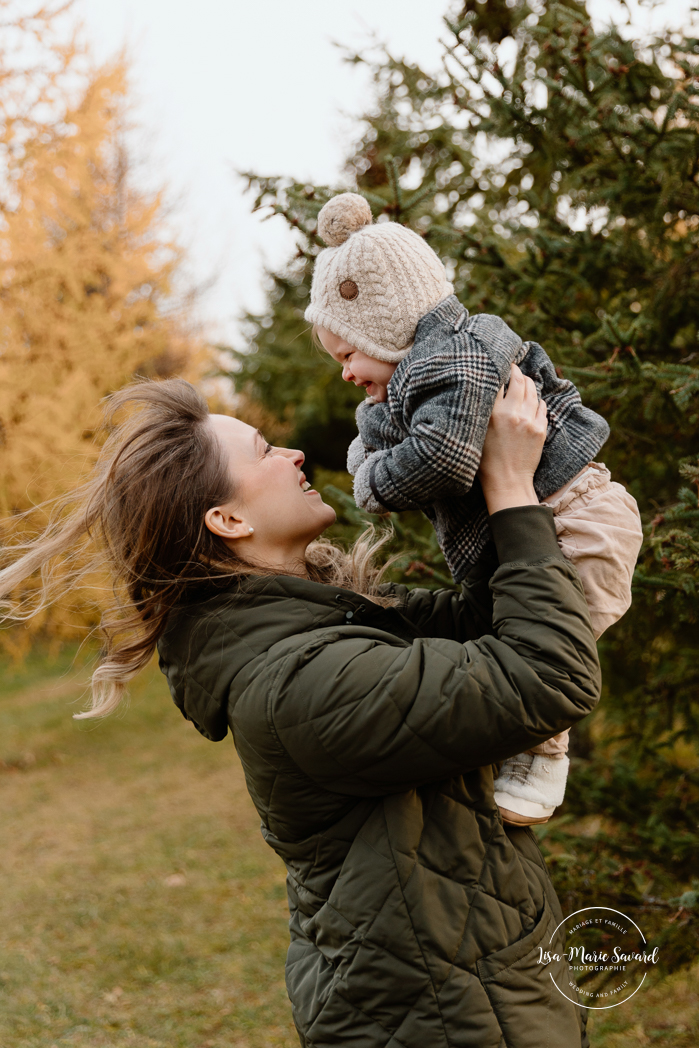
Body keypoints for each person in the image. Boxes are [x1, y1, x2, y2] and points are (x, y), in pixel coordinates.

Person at [0, 376, 599, 1047]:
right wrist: (510, 490)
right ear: (228, 521)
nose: (291, 455)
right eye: (262, 452)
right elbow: (547, 675)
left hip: (469, 987)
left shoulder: (327, 621)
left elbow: (485, 624)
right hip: (442, 1016)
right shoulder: (303, 682)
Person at [306, 191, 643, 827]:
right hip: (530, 531)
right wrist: (370, 448)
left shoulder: (456, 358)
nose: (346, 373)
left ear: (387, 325)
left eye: (348, 354)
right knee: (518, 638)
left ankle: (544, 748)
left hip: (580, 517)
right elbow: (374, 434)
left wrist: (369, 477)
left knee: (551, 646)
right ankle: (529, 744)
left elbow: (444, 459)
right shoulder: (413, 378)